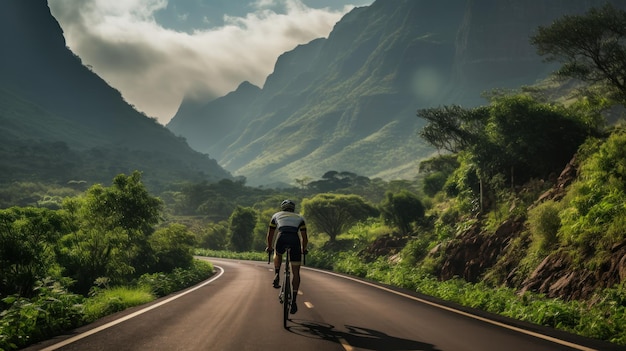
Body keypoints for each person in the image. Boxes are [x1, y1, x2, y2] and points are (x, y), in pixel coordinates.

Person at [266, 199, 308, 314]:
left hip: (282, 238)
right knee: (296, 272)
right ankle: (294, 301)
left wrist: (269, 247)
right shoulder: (300, 218)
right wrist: (303, 249)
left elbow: (270, 234)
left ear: (282, 208)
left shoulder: (276, 215)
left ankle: (276, 274)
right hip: (295, 240)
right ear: (293, 209)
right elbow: (304, 238)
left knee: (277, 253)